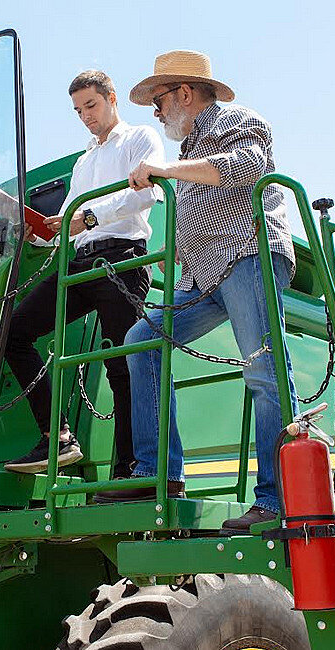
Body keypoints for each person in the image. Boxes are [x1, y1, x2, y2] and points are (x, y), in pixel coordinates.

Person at [94, 50, 298, 534]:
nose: (157, 113)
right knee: (141, 342)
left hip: (248, 254)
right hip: (203, 275)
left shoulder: (238, 120)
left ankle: (277, 501)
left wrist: (164, 172)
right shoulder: (188, 153)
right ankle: (157, 473)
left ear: (185, 93)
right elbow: (201, 206)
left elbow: (244, 169)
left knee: (263, 372)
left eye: (159, 102)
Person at [2, 70, 165, 477]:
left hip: (122, 261)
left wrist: (88, 216)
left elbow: (146, 192)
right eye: (78, 111)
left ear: (112, 99)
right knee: (14, 331)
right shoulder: (83, 161)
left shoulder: (140, 138)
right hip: (80, 263)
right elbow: (68, 225)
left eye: (91, 105)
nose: (86, 116)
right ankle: (56, 437)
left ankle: (129, 473)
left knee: (121, 366)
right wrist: (37, 235)